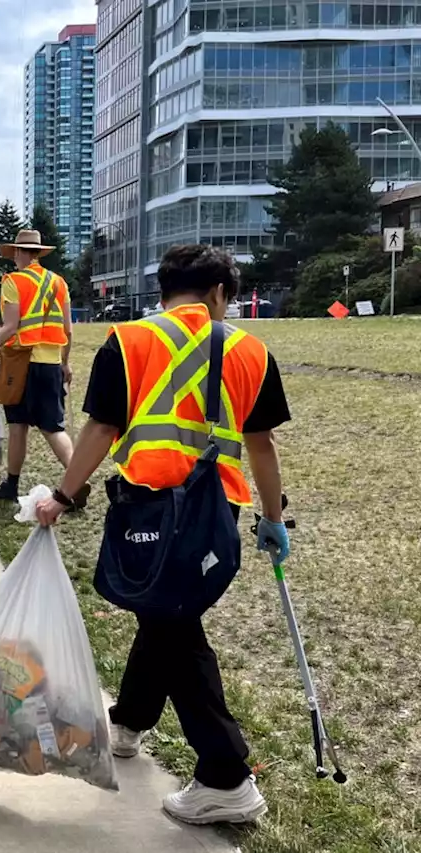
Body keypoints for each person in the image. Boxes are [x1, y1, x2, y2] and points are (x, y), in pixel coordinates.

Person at [35, 244, 292, 826]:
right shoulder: (251, 348)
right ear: (220, 293)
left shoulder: (128, 341)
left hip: (149, 510)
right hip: (213, 514)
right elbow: (262, 445)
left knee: (173, 627)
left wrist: (64, 494)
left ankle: (226, 777)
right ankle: (129, 719)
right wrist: (272, 518)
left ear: (163, 290)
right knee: (165, 617)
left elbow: (101, 428)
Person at [0, 229, 87, 506]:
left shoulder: (13, 281)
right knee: (53, 427)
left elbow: (10, 327)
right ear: (39, 252)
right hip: (50, 364)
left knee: (18, 425)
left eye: (15, 252)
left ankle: (11, 486)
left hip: (21, 364)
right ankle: (77, 484)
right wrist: (64, 362)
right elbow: (68, 330)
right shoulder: (59, 283)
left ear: (19, 252)